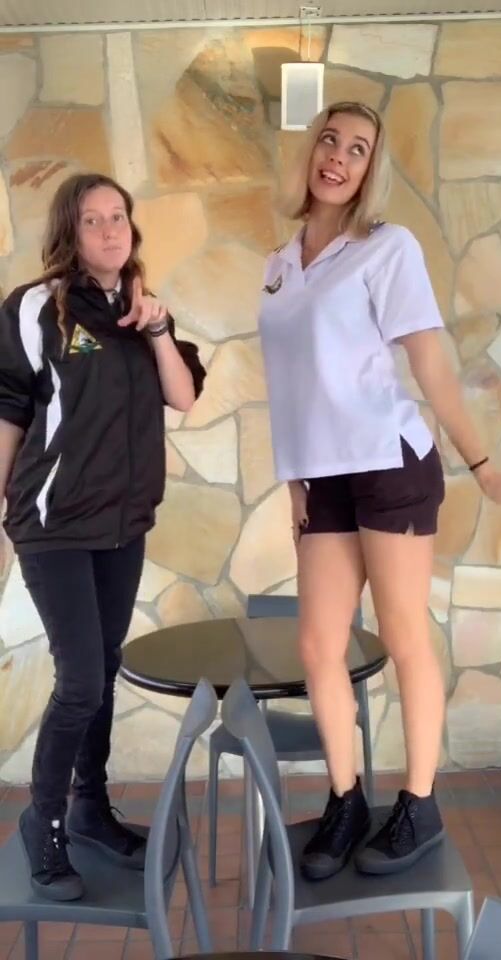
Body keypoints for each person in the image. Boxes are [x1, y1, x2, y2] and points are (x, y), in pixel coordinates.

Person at [258, 100, 501, 882]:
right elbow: (288, 384)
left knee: (403, 633)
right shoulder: (280, 264)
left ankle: (418, 804)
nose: (338, 157)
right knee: (319, 645)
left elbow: (431, 362)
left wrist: (481, 464)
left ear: (370, 170)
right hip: (323, 477)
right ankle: (346, 801)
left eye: (358, 149)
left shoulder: (388, 248)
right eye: (330, 141)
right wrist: (293, 480)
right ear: (311, 153)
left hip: (388, 462)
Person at [0, 173, 206, 901]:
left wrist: (156, 329)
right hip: (53, 524)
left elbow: (183, 395)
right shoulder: (35, 308)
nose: (110, 229)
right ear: (71, 232)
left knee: (104, 669)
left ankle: (89, 807)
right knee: (81, 680)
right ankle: (44, 821)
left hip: (122, 526)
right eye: (93, 220)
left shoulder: (142, 312)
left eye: (118, 216)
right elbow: (9, 410)